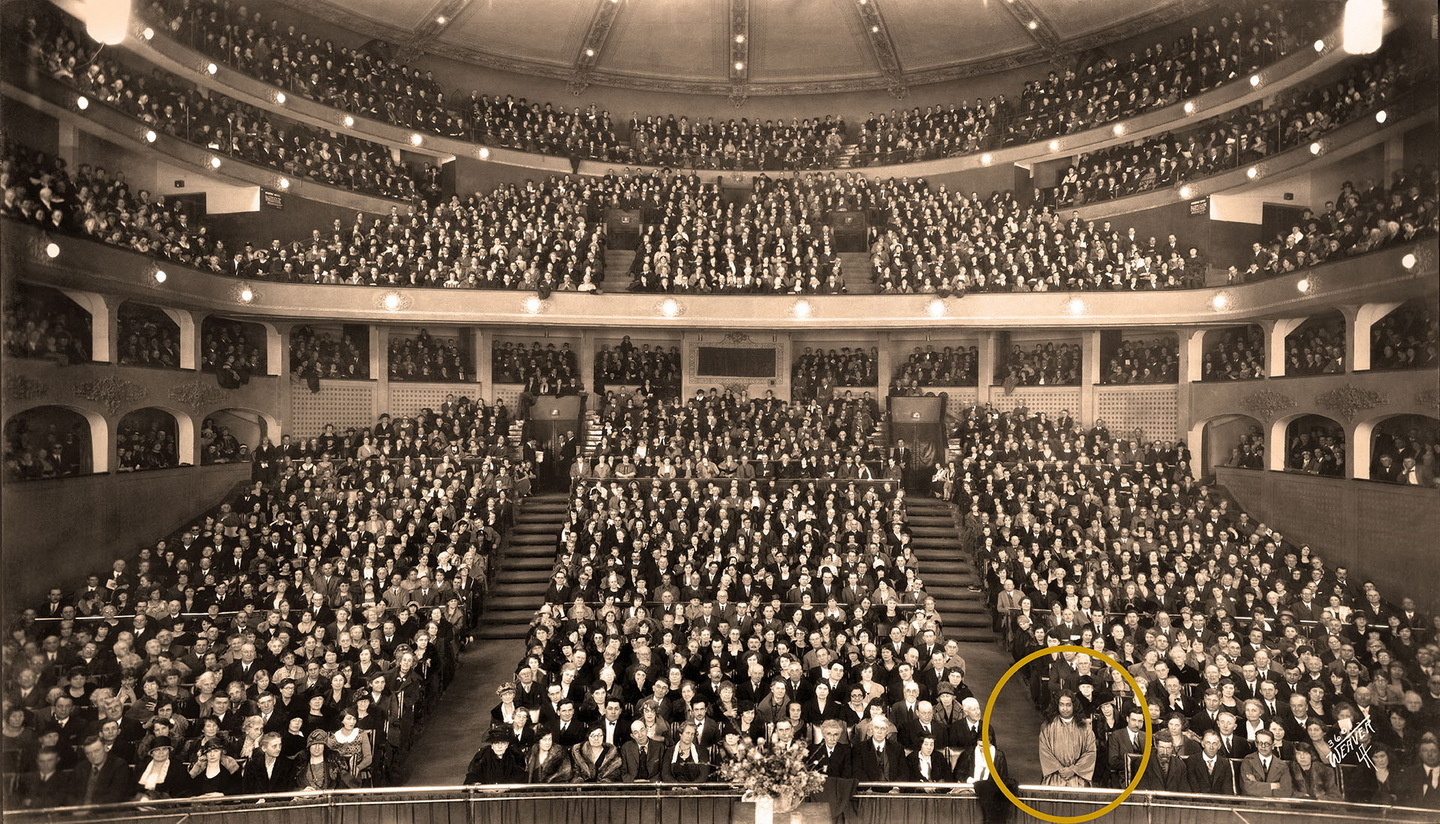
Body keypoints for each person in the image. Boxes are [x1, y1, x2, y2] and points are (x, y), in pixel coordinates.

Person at [1038, 692, 1096, 787]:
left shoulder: (1085, 727)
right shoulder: (1047, 726)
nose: (1065, 708)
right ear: (1057, 705)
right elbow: (1044, 751)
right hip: (1055, 777)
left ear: (1074, 706)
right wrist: (1059, 768)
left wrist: (1073, 770)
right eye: (1061, 705)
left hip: (1078, 778)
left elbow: (1090, 751)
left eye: (1068, 705)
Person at [957, 731, 1015, 824]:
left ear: (990, 743)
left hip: (990, 790)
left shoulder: (999, 755)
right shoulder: (968, 753)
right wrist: (972, 781)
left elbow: (1003, 776)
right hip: (970, 787)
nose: (983, 749)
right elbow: (959, 773)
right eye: (980, 746)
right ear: (977, 743)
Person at [72, 735, 132, 806]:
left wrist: (90, 808)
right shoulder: (81, 767)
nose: (93, 756)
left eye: (96, 751)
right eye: (88, 753)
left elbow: (115, 796)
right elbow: (71, 793)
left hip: (106, 810)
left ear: (106, 748)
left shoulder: (119, 766)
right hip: (80, 810)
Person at [1239, 730, 1292, 797]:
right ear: (1256, 744)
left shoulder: (1282, 765)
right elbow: (1247, 787)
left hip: (1274, 802)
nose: (1263, 746)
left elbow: (1286, 791)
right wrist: (1271, 786)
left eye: (1267, 743)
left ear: (1273, 745)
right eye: (1260, 743)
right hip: (1252, 802)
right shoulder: (1248, 761)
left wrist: (1256, 786)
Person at [133, 736, 188, 800]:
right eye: (157, 750)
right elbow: (133, 787)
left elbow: (181, 791)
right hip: (139, 800)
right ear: (151, 753)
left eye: (164, 749)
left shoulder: (177, 766)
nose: (161, 752)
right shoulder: (142, 765)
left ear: (169, 751)